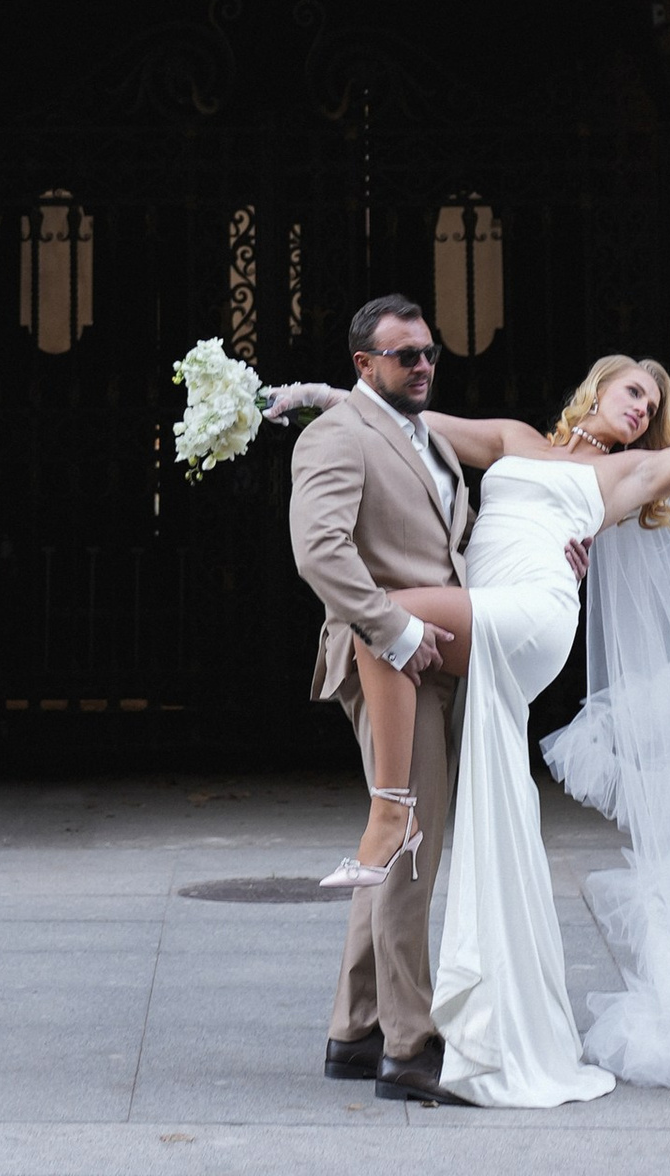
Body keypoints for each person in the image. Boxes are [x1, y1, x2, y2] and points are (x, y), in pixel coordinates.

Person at [271, 349, 670, 1107]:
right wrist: (316, 392)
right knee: (412, 776)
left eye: (653, 406)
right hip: (475, 618)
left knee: (387, 621)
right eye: (635, 391)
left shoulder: (627, 475)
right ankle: (358, 1026)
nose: (642, 408)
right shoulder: (513, 439)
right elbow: (397, 423)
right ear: (599, 388)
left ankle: (388, 817)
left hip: (532, 615)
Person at [283, 299, 482, 1106]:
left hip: (438, 659)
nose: (423, 366)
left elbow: (445, 538)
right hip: (384, 663)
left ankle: (355, 1029)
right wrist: (393, 629)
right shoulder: (336, 436)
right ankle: (410, 1045)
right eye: (405, 356)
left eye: (429, 352)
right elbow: (319, 549)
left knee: (399, 838)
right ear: (363, 365)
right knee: (410, 845)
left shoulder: (425, 436)